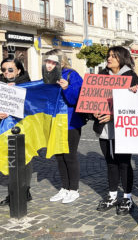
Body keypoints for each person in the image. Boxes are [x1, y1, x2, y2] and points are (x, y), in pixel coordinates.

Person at [93, 46, 138, 215]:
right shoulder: (101, 76)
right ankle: (112, 195)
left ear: (122, 58)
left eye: (113, 56)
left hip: (123, 128)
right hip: (104, 129)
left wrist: (113, 115)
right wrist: (93, 110)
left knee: (123, 163)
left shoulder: (130, 76)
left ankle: (127, 197)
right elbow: (91, 98)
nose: (109, 58)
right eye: (108, 56)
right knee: (110, 162)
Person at [43, 50, 85, 204]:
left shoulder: (71, 75)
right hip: (54, 122)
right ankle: (64, 187)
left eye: (53, 61)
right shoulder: (47, 77)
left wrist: (67, 88)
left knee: (70, 156)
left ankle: (74, 189)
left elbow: (79, 98)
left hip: (70, 122)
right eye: (47, 61)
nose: (49, 64)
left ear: (62, 61)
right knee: (59, 156)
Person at [0, 58, 32, 206]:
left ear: (19, 70)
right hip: (4, 128)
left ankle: (24, 191)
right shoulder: (1, 85)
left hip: (22, 126)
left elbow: (32, 106)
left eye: (10, 69)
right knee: (8, 159)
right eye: (4, 70)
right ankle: (12, 192)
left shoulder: (28, 84)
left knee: (24, 159)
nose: (6, 72)